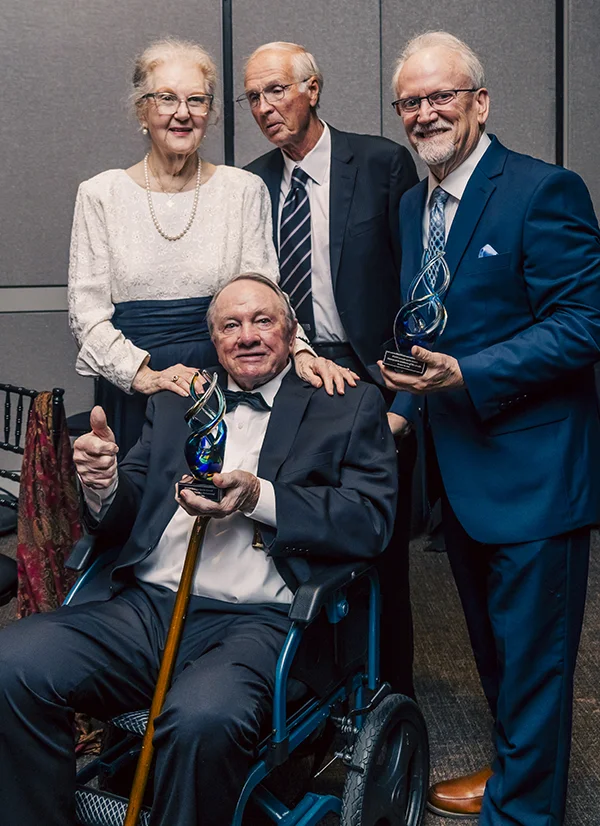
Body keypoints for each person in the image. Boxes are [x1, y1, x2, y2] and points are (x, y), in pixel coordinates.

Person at [0, 274, 398, 826]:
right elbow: (129, 501)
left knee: (202, 719)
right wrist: (103, 481)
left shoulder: (347, 404)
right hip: (147, 610)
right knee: (12, 662)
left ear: (290, 331)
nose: (248, 336)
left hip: (260, 623)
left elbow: (371, 522)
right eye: (230, 325)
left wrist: (261, 497)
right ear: (214, 341)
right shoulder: (177, 401)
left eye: (263, 320)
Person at [380, 30, 600, 826]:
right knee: (495, 653)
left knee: (537, 665)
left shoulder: (544, 190)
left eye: (442, 96)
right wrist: (400, 416)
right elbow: (421, 330)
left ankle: (524, 809)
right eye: (411, 101)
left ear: (480, 102)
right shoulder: (416, 203)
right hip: (457, 470)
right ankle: (515, 768)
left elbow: (584, 323)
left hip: (535, 475)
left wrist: (470, 374)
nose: (425, 113)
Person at [68, 38, 352, 456]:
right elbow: (86, 317)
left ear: (210, 113)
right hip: (133, 391)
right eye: (167, 98)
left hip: (225, 384)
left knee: (224, 508)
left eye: (197, 100)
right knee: (139, 507)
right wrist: (146, 377)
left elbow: (265, 294)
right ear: (142, 110)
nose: (183, 113)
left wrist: (301, 351)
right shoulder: (99, 195)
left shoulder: (243, 189)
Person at [242, 40, 419, 697]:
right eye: (253, 96)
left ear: (312, 88)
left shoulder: (380, 164)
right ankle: (315, 696)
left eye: (276, 91)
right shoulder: (252, 182)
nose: (264, 107)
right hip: (290, 377)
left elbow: (415, 296)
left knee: (379, 551)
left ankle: (389, 698)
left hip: (371, 380)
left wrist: (404, 408)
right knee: (297, 541)